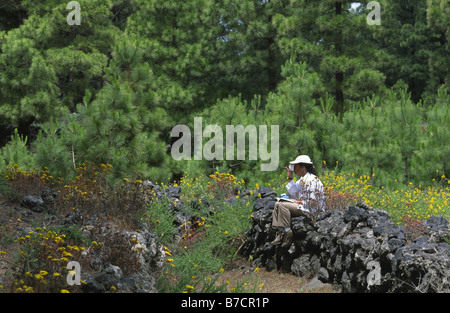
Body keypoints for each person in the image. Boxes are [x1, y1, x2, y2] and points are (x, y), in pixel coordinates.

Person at [271, 155, 325, 247]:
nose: (293, 168)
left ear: (303, 167)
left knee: (282, 205)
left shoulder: (312, 180)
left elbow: (313, 202)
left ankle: (287, 232)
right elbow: (294, 192)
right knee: (277, 204)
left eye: (295, 166)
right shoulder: (303, 179)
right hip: (304, 206)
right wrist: (290, 177)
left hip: (311, 210)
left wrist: (297, 202)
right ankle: (280, 232)